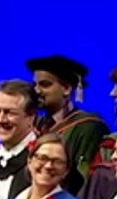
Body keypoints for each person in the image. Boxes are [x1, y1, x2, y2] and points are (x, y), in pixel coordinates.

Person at [28, 54, 109, 187]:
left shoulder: (88, 126)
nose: (36, 91)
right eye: (35, 85)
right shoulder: (36, 125)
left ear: (66, 88)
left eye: (45, 84)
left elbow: (84, 177)